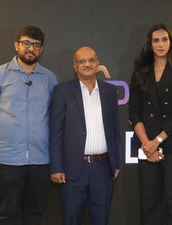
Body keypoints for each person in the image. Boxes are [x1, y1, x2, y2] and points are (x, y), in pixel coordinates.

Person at [0, 26, 58, 225]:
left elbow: (54, 116)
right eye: (26, 43)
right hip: (7, 160)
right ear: (16, 46)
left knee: (35, 215)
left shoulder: (49, 78)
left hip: (41, 161)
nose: (31, 48)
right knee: (7, 215)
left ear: (41, 49)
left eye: (36, 45)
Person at [128, 23, 172, 225]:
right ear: (149, 44)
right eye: (156, 40)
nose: (160, 44)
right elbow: (134, 112)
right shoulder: (141, 70)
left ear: (170, 42)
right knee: (149, 201)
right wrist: (147, 144)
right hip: (146, 147)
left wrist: (157, 141)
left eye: (165, 39)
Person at [49, 46, 121, 225]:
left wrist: (116, 161)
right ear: (75, 66)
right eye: (82, 61)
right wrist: (56, 167)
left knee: (101, 219)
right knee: (71, 219)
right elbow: (55, 131)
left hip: (103, 169)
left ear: (98, 63)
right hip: (73, 169)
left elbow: (115, 130)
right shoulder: (62, 91)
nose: (87, 64)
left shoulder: (110, 92)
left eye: (91, 60)